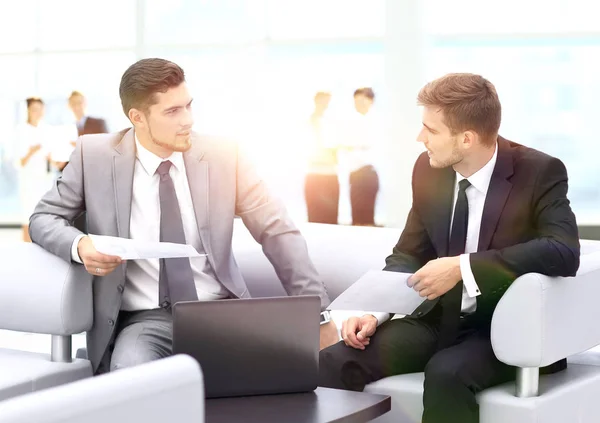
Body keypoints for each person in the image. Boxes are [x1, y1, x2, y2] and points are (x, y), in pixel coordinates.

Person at [29, 58, 335, 374]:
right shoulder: (93, 156)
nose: (187, 119)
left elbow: (277, 230)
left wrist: (319, 315)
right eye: (173, 111)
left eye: (188, 106)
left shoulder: (224, 156)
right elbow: (43, 217)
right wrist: (80, 246)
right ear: (138, 118)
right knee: (131, 378)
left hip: (220, 313)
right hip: (145, 320)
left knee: (280, 380)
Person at [319, 73, 580, 423]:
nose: (420, 138)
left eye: (431, 130)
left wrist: (462, 267)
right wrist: (375, 311)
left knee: (446, 374)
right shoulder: (428, 170)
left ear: (467, 139)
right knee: (334, 360)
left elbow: (562, 251)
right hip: (435, 318)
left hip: (503, 327)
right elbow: (409, 252)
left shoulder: (539, 171)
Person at [338, 87, 380, 226]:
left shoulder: (374, 122)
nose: (358, 104)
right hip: (356, 175)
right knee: (358, 219)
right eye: (355, 101)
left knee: (365, 220)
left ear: (371, 101)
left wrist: (350, 146)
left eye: (361, 100)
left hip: (366, 174)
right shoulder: (353, 121)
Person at [17, 97, 53, 242]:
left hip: (45, 180)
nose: (37, 113)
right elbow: (19, 162)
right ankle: (26, 250)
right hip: (28, 180)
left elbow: (51, 155)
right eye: (34, 109)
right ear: (28, 111)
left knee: (45, 217)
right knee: (28, 216)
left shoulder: (47, 130)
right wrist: (31, 151)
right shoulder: (21, 130)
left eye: (40, 109)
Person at [304, 91, 339, 224]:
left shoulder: (332, 124)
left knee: (331, 220)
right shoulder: (308, 123)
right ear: (317, 102)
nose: (326, 105)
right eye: (324, 101)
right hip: (314, 175)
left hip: (330, 175)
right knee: (315, 219)